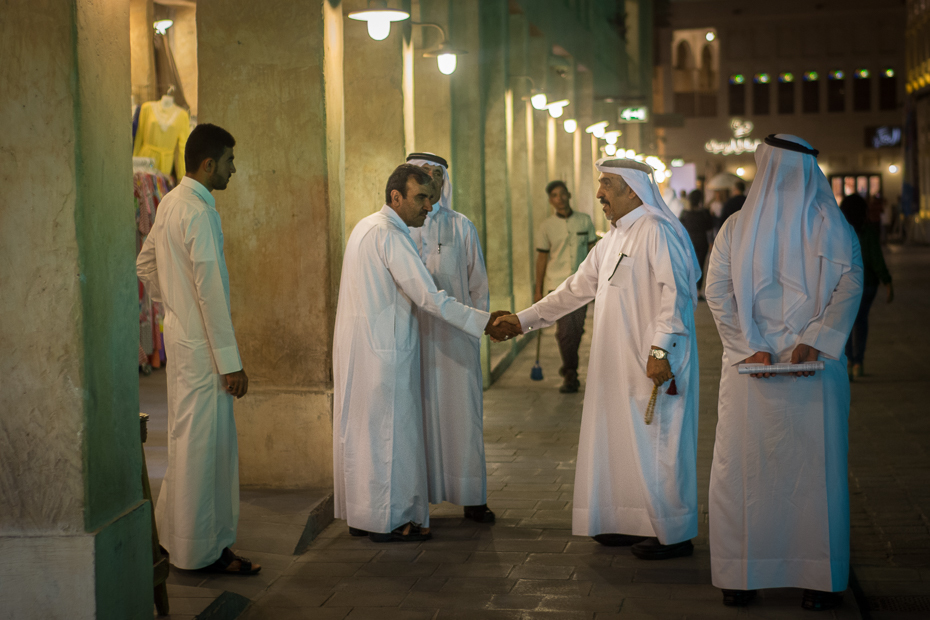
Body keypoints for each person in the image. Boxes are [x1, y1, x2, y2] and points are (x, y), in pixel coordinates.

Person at [495, 157, 702, 560]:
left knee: (658, 442)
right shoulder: (612, 240)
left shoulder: (657, 231)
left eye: (607, 184)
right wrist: (522, 320)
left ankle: (673, 533)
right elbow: (573, 289)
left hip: (651, 362)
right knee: (623, 443)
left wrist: (662, 349)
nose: (599, 193)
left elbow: (676, 294)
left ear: (632, 189)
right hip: (615, 364)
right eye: (600, 184)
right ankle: (629, 520)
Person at [704, 135, 863, 610]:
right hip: (799, 368)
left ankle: (774, 577)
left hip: (772, 370)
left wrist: (753, 346)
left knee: (791, 476)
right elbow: (718, 292)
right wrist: (812, 338)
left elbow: (714, 292)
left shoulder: (738, 225)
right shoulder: (833, 226)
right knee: (764, 475)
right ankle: (762, 575)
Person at [332, 164, 517, 543]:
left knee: (366, 435)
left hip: (361, 350)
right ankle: (393, 520)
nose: (428, 207)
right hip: (387, 352)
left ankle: (364, 515)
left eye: (431, 199)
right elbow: (429, 298)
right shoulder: (391, 235)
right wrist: (483, 322)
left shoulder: (365, 227)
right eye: (420, 198)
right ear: (395, 197)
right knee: (391, 436)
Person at [136, 123, 258, 575]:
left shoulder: (171, 202)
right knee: (206, 447)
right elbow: (209, 291)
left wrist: (174, 307)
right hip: (205, 351)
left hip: (183, 341)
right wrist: (231, 363)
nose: (233, 169)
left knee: (187, 442)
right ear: (208, 164)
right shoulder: (199, 211)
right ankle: (202, 551)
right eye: (228, 161)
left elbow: (145, 263)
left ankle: (178, 540)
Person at [405, 152, 495, 523]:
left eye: (436, 175)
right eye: (422, 175)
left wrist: (477, 330)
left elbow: (478, 287)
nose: (431, 181)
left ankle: (471, 494)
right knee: (416, 419)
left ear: (445, 182)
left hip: (457, 340)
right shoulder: (400, 229)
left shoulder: (462, 227)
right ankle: (415, 496)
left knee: (463, 417)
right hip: (413, 339)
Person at [533, 180, 598, 393]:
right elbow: (542, 259)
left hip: (581, 284)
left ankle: (570, 368)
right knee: (565, 331)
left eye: (562, 194)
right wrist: (538, 289)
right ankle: (570, 372)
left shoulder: (585, 221)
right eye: (554, 195)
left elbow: (593, 253)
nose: (559, 199)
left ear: (569, 195)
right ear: (550, 200)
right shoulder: (546, 226)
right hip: (556, 284)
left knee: (576, 329)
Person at [839, 193, 893, 380]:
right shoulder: (868, 231)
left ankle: (847, 361)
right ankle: (858, 363)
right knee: (860, 321)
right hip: (867, 284)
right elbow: (875, 258)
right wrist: (887, 281)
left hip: (844, 285)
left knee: (845, 323)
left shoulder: (839, 231)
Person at [678, 189, 714, 296]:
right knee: (701, 265)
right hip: (702, 242)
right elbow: (710, 229)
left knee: (689, 265)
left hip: (689, 242)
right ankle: (698, 291)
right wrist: (711, 242)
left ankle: (690, 288)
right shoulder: (705, 213)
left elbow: (680, 229)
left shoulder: (685, 214)